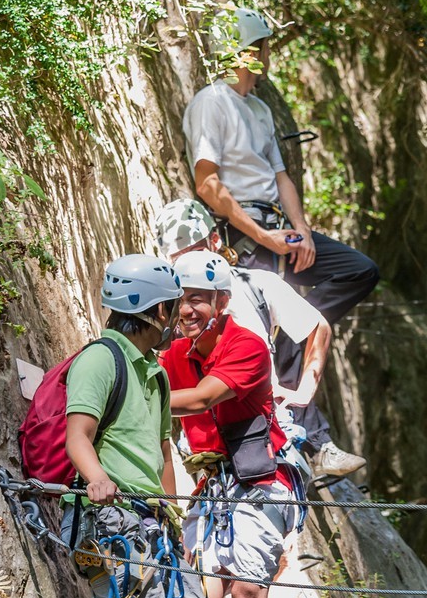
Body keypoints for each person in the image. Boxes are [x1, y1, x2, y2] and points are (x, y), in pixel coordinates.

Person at [181, 4, 380, 455]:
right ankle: (310, 436)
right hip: (243, 232)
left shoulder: (260, 109)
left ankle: (293, 378)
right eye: (265, 46)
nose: (268, 54)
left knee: (358, 270)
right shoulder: (211, 103)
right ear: (250, 50)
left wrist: (301, 230)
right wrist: (265, 236)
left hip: (275, 226)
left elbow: (281, 176)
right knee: (285, 323)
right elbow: (208, 183)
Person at [67, 255, 217, 598]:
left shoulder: (152, 373)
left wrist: (172, 511)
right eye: (172, 309)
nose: (177, 318)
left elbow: (159, 454)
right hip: (112, 522)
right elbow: (77, 435)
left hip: (153, 522)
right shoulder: (100, 360)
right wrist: (98, 478)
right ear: (155, 308)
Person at [160, 251, 296, 598]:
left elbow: (197, 401)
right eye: (181, 300)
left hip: (263, 481)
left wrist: (134, 394)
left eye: (197, 298)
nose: (187, 309)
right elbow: (161, 434)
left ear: (221, 300)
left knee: (245, 593)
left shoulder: (247, 345)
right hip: (213, 487)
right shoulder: (175, 354)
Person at [153, 197, 366, 481]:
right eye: (181, 257)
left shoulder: (256, 284)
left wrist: (304, 390)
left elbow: (319, 326)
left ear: (215, 240)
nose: (192, 262)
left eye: (196, 250)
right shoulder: (174, 306)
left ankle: (319, 446)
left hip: (260, 433)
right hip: (205, 443)